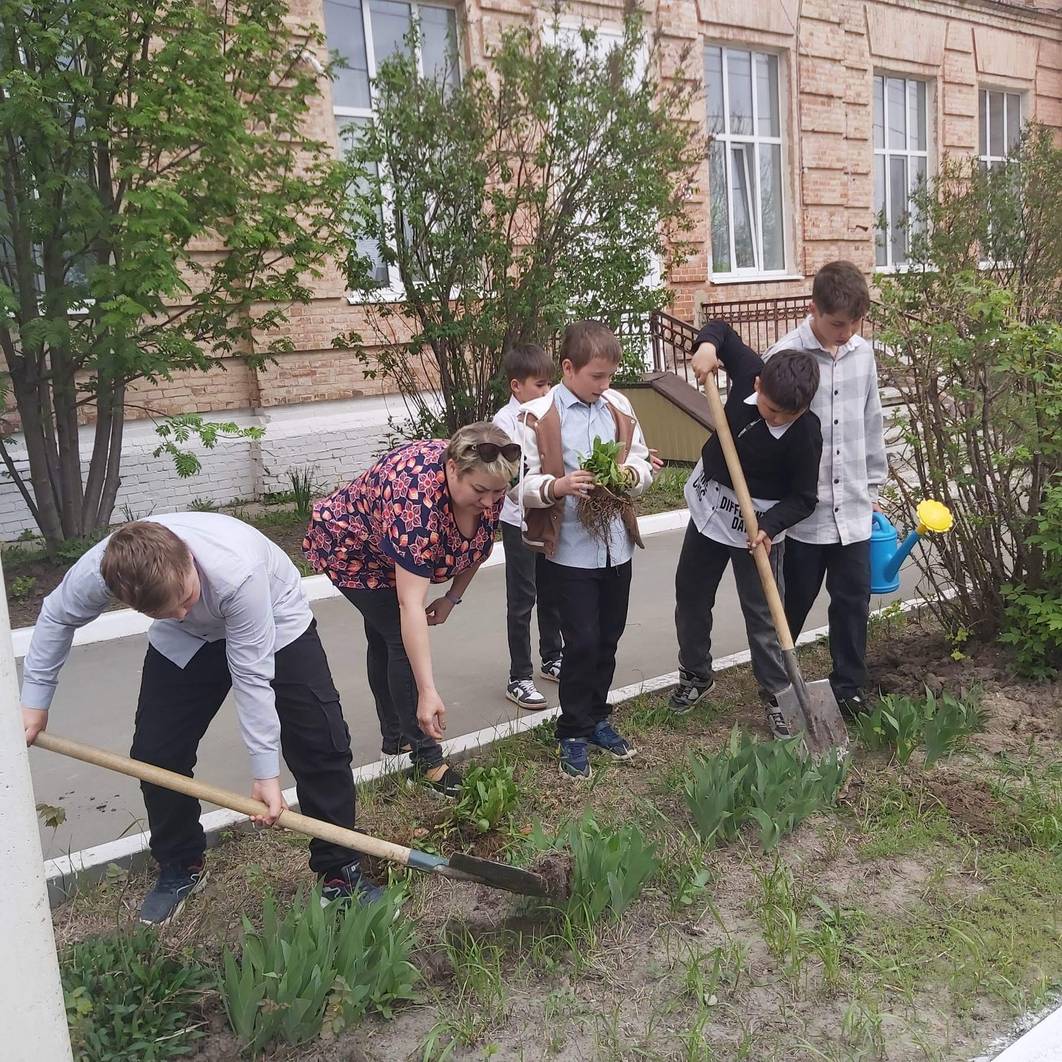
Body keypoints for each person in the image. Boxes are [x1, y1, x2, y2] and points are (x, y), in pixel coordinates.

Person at [20, 514, 373, 924]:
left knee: (320, 741)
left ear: (187, 557)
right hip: (187, 644)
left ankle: (339, 871)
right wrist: (34, 701)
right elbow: (56, 617)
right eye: (169, 611)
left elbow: (251, 677)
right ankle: (180, 865)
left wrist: (265, 775)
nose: (185, 611)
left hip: (273, 622)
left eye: (186, 598)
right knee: (155, 754)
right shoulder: (105, 572)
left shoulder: (237, 572)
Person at [304, 423, 518, 797]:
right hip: (352, 549)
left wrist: (452, 598)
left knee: (386, 638)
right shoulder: (416, 505)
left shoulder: (492, 476)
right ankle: (427, 759)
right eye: (481, 492)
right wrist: (428, 691)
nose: (489, 502)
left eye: (497, 493)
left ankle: (397, 736)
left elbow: (478, 545)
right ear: (452, 468)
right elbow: (410, 605)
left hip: (388, 544)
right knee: (397, 639)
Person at [515, 320, 653, 781]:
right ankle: (572, 731)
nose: (605, 385)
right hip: (568, 551)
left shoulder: (619, 405)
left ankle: (596, 718)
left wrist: (632, 476)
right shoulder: (537, 414)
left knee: (609, 637)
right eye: (596, 376)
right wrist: (558, 485)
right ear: (569, 368)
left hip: (616, 547)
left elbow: (640, 459)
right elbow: (519, 486)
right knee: (583, 642)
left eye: (610, 376)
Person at [676, 321, 822, 736]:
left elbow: (804, 498)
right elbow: (720, 330)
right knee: (690, 593)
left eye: (783, 414)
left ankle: (777, 694)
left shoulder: (805, 434)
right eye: (768, 405)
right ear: (758, 381)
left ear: (803, 409)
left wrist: (770, 526)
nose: (772, 416)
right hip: (711, 506)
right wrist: (705, 346)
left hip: (758, 525)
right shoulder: (750, 372)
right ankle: (696, 675)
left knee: (762, 614)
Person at [764, 260, 887, 715]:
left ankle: (850, 686)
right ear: (812, 309)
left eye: (855, 323)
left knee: (854, 599)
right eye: (838, 323)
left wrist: (873, 483)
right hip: (804, 514)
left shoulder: (862, 354)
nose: (846, 332)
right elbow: (769, 430)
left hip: (852, 505)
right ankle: (778, 687)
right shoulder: (785, 356)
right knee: (792, 602)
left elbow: (870, 420)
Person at [493, 343, 564, 709]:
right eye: (539, 384)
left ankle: (552, 658)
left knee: (552, 592)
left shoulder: (550, 414)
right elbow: (512, 476)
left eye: (549, 384)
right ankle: (518, 675)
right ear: (516, 386)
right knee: (523, 600)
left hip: (548, 516)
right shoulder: (505, 423)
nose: (546, 391)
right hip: (519, 522)